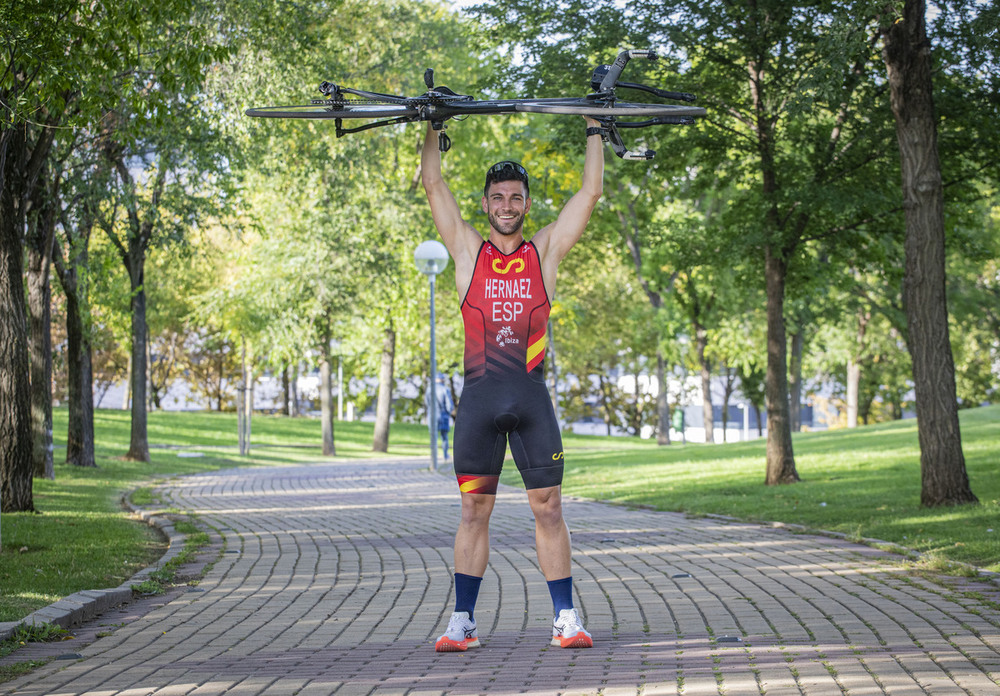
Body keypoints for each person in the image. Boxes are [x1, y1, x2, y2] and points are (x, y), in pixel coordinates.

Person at [421, 117, 605, 652]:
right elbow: (434, 184)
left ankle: (566, 619)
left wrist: (594, 126)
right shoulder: (465, 252)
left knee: (548, 505)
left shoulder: (543, 254)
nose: (506, 205)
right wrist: (432, 126)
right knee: (473, 509)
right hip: (479, 401)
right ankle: (463, 624)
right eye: (497, 197)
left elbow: (590, 191)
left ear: (527, 204)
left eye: (516, 197)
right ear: (485, 204)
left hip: (530, 399)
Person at [426, 373, 454, 460]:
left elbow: (427, 403)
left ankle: (433, 456)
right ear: (442, 380)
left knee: (433, 436)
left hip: (432, 416)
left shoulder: (429, 389)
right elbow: (449, 405)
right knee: (444, 437)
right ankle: (445, 455)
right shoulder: (445, 389)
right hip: (443, 416)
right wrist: (449, 412)